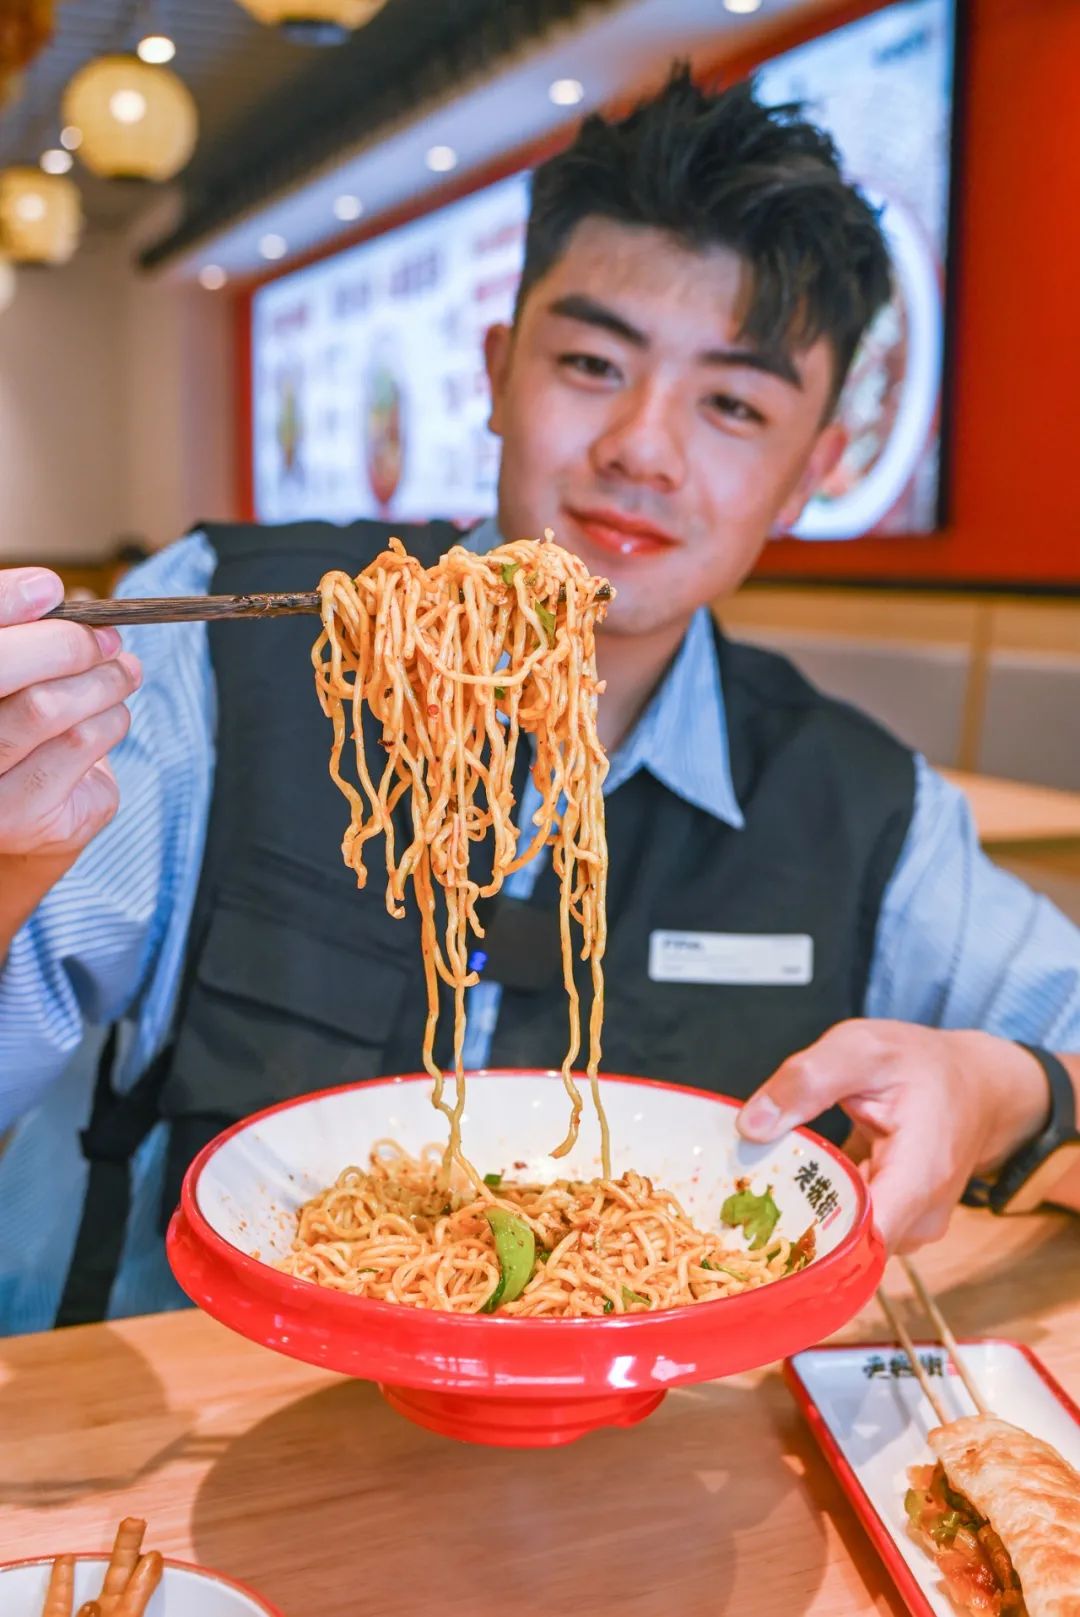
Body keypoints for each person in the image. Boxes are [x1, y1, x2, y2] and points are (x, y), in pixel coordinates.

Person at [1, 72, 1077, 1335]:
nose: (642, 447)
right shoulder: (213, 642)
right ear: (500, 372)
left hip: (651, 1448)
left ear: (813, 471)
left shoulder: (861, 806)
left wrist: (1002, 1091)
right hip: (183, 1410)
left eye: (734, 404)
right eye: (591, 362)